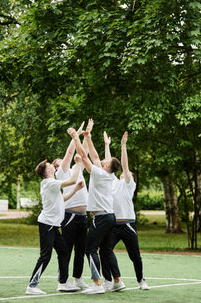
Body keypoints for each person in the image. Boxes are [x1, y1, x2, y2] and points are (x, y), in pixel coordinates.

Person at [67, 120, 125, 295]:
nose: (102, 160)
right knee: (106, 250)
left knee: (89, 248)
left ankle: (97, 284)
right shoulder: (108, 175)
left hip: (101, 217)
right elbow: (94, 155)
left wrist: (76, 137)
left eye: (105, 161)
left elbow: (84, 156)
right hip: (110, 216)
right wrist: (88, 137)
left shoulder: (99, 174)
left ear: (106, 167)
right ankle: (117, 281)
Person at [25, 154, 84, 296]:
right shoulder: (49, 183)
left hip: (52, 225)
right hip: (47, 225)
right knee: (45, 256)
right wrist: (77, 163)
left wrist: (75, 190)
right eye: (49, 165)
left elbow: (61, 198)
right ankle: (32, 286)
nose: (52, 165)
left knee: (63, 251)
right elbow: (73, 179)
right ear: (48, 171)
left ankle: (63, 283)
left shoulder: (51, 184)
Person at [102, 131, 149, 291]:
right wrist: (107, 145)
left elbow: (125, 165)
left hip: (128, 224)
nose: (124, 173)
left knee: (134, 256)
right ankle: (110, 281)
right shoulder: (113, 182)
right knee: (105, 250)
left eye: (127, 174)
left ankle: (141, 280)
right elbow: (108, 165)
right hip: (114, 225)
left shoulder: (129, 185)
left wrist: (123, 146)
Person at [52, 121, 90, 290]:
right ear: (56, 167)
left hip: (83, 216)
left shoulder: (77, 170)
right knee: (66, 249)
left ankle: (78, 278)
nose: (63, 162)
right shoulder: (61, 173)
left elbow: (84, 154)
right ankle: (62, 281)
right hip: (70, 216)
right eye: (59, 162)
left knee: (81, 250)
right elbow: (69, 153)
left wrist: (86, 136)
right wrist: (74, 136)